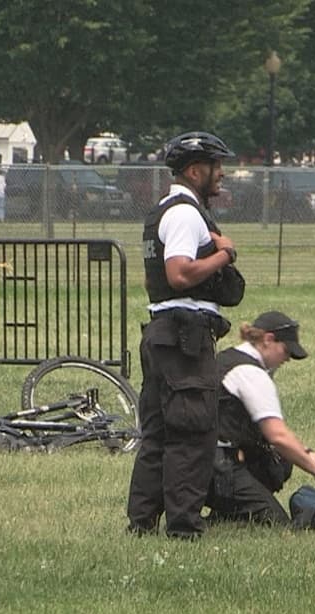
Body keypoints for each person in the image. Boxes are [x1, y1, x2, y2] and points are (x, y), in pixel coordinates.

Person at [126, 131, 244, 539]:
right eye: (215, 165)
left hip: (163, 333)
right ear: (195, 171)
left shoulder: (160, 212)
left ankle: (141, 523)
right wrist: (224, 255)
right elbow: (178, 274)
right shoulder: (185, 215)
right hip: (183, 337)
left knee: (158, 434)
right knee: (191, 433)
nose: (221, 173)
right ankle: (183, 528)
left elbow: (153, 281)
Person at [206, 311, 315, 524]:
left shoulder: (228, 359)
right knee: (276, 523)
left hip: (198, 460)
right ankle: (228, 511)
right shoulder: (251, 373)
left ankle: (226, 514)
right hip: (217, 468)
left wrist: (306, 453)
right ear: (268, 339)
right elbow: (277, 436)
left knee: (282, 460)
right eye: (286, 350)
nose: (287, 358)